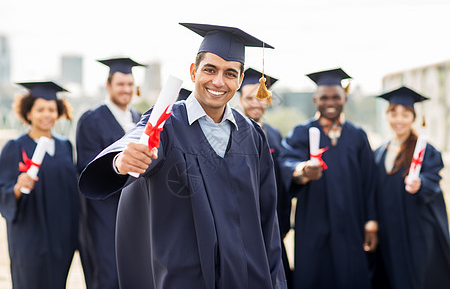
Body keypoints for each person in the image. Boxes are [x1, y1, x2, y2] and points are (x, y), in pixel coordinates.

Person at [79, 22, 287, 289]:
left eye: (230, 73)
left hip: (245, 277)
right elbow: (139, 139)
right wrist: (121, 160)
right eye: (210, 69)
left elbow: (268, 221)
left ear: (239, 79)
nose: (218, 81)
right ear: (193, 71)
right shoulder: (167, 122)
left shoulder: (253, 135)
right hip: (186, 277)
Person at [279, 68, 378, 289]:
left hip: (350, 223)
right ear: (315, 99)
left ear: (345, 98)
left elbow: (369, 181)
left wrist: (370, 224)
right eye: (324, 97)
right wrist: (302, 170)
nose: (330, 102)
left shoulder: (357, 136)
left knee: (349, 275)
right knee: (316, 275)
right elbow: (286, 162)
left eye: (336, 97)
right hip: (314, 222)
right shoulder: (301, 132)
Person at [0, 82, 79, 288]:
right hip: (29, 236)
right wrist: (18, 187)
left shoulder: (64, 146)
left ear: (59, 112)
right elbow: (3, 190)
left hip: (61, 236)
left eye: (52, 109)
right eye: (40, 109)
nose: (47, 115)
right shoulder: (15, 147)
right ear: (28, 113)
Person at [76, 57, 145, 288]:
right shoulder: (91, 119)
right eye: (120, 84)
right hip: (103, 211)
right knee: (108, 273)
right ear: (108, 86)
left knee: (133, 271)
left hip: (135, 210)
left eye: (129, 84)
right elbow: (86, 167)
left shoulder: (138, 119)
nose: (126, 90)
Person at [372, 86, 450, 289]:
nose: (399, 120)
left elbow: (433, 179)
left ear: (414, 117)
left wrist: (420, 183)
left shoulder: (425, 150)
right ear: (387, 115)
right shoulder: (379, 152)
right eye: (393, 113)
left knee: (419, 278)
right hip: (390, 229)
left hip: (417, 229)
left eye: (405, 114)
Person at [239, 67, 292, 288]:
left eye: (260, 98)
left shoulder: (274, 134)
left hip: (270, 223)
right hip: (241, 224)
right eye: (249, 98)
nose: (256, 103)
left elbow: (281, 179)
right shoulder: (232, 130)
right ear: (239, 98)